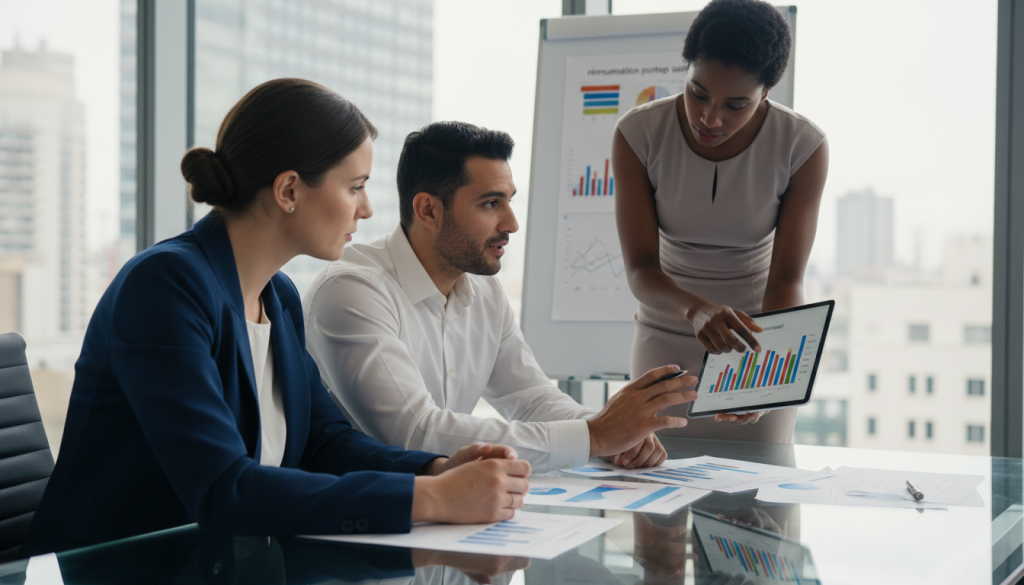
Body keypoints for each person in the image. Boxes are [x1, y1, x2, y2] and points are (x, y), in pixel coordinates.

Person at [20, 79, 531, 557]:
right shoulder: (165, 288)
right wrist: (432, 498)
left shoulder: (279, 296)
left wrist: (437, 467)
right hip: (114, 567)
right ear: (289, 191)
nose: (368, 209)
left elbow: (325, 442)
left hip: (220, 563)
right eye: (355, 187)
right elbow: (225, 487)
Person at [302, 121, 699, 474]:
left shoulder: (483, 288)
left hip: (447, 517)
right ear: (428, 210)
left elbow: (529, 397)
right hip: (359, 531)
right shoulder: (353, 290)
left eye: (509, 200)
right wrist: (595, 435)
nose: (511, 223)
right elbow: (413, 431)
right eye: (491, 203)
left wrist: (612, 432)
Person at [613, 0, 829, 443]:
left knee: (761, 502)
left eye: (736, 104)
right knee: (653, 490)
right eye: (698, 93)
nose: (710, 118)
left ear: (766, 92)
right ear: (687, 70)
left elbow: (786, 279)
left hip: (756, 340)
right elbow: (640, 271)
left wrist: (768, 369)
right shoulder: (638, 134)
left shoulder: (802, 146)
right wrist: (695, 309)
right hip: (665, 335)